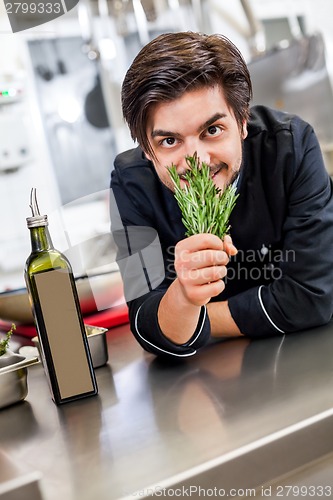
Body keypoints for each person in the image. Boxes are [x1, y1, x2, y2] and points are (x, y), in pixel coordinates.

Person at [110, 31, 333, 358]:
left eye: (212, 130)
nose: (197, 162)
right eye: (169, 141)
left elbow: (314, 296)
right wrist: (185, 297)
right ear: (146, 149)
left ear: (242, 121)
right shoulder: (132, 184)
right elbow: (146, 321)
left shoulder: (290, 147)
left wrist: (190, 316)